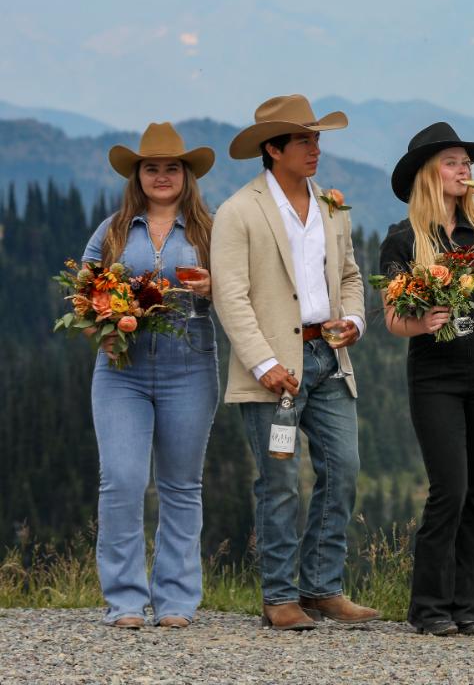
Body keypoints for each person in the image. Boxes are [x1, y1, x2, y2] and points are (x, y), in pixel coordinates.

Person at [211, 94, 378, 631]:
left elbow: (350, 277)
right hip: (273, 369)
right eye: (304, 140)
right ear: (273, 148)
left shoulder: (330, 206)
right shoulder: (239, 210)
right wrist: (263, 363)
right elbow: (230, 297)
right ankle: (280, 596)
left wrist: (354, 321)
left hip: (329, 356)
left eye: (317, 138)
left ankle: (323, 588)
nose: (316, 148)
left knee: (344, 470)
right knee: (279, 482)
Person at [379, 122, 474, 636]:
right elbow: (394, 321)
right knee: (450, 488)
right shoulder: (403, 239)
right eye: (452, 162)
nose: (464, 170)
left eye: (466, 162)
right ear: (429, 174)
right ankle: (428, 608)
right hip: (434, 373)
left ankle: (467, 608)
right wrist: (422, 322)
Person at [82, 122, 219, 628]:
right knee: (121, 480)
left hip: (192, 369)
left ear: (186, 175)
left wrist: (214, 289)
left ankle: (177, 601)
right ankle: (124, 600)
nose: (161, 176)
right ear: (136, 176)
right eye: (151, 168)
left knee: (182, 485)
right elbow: (83, 292)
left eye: (171, 168)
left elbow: (239, 294)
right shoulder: (113, 230)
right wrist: (102, 315)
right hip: (122, 370)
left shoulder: (211, 230)